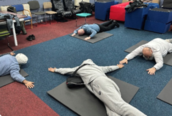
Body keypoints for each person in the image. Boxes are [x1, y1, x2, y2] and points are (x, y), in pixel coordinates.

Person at [48, 59, 146, 116]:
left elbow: (67, 70)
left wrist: (55, 69)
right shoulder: (97, 67)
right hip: (107, 83)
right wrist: (117, 66)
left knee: (119, 106)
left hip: (99, 84)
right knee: (110, 110)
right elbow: (109, 68)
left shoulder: (80, 68)